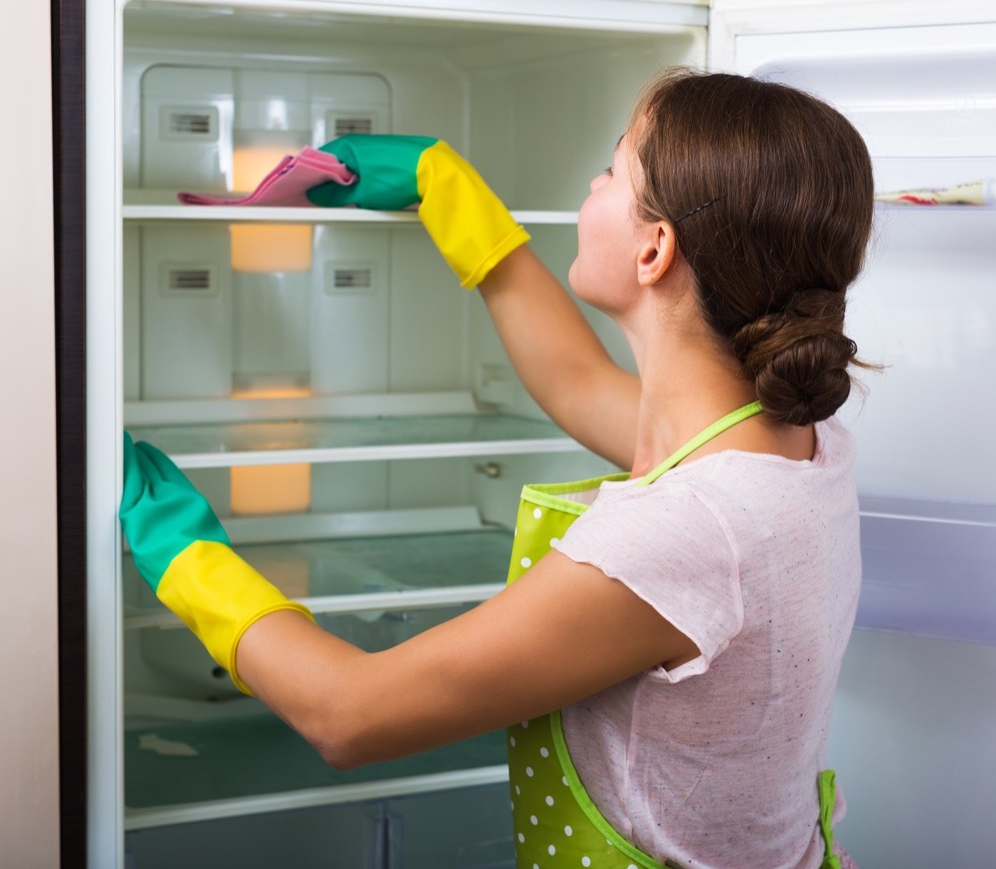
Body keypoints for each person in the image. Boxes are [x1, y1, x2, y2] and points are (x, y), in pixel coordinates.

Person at [121, 67, 875, 869]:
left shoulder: (685, 534)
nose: (593, 181)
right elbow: (577, 383)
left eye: (614, 169)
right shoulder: (789, 446)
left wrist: (186, 557)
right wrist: (452, 198)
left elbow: (349, 714)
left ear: (654, 248)